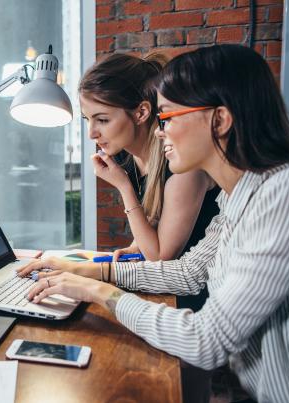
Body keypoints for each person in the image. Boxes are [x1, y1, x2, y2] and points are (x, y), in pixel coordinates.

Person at [18, 44, 289, 402]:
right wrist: (92, 272)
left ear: (220, 120)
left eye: (168, 118)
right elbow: (187, 272)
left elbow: (205, 340)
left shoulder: (282, 194)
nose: (160, 132)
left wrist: (99, 291)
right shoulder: (237, 197)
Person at [79, 53, 220, 313]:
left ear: (141, 112)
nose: (92, 133)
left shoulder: (183, 165)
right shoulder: (125, 156)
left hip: (195, 302)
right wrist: (134, 249)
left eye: (103, 119)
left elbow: (160, 256)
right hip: (164, 289)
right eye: (87, 120)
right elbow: (154, 224)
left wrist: (124, 187)